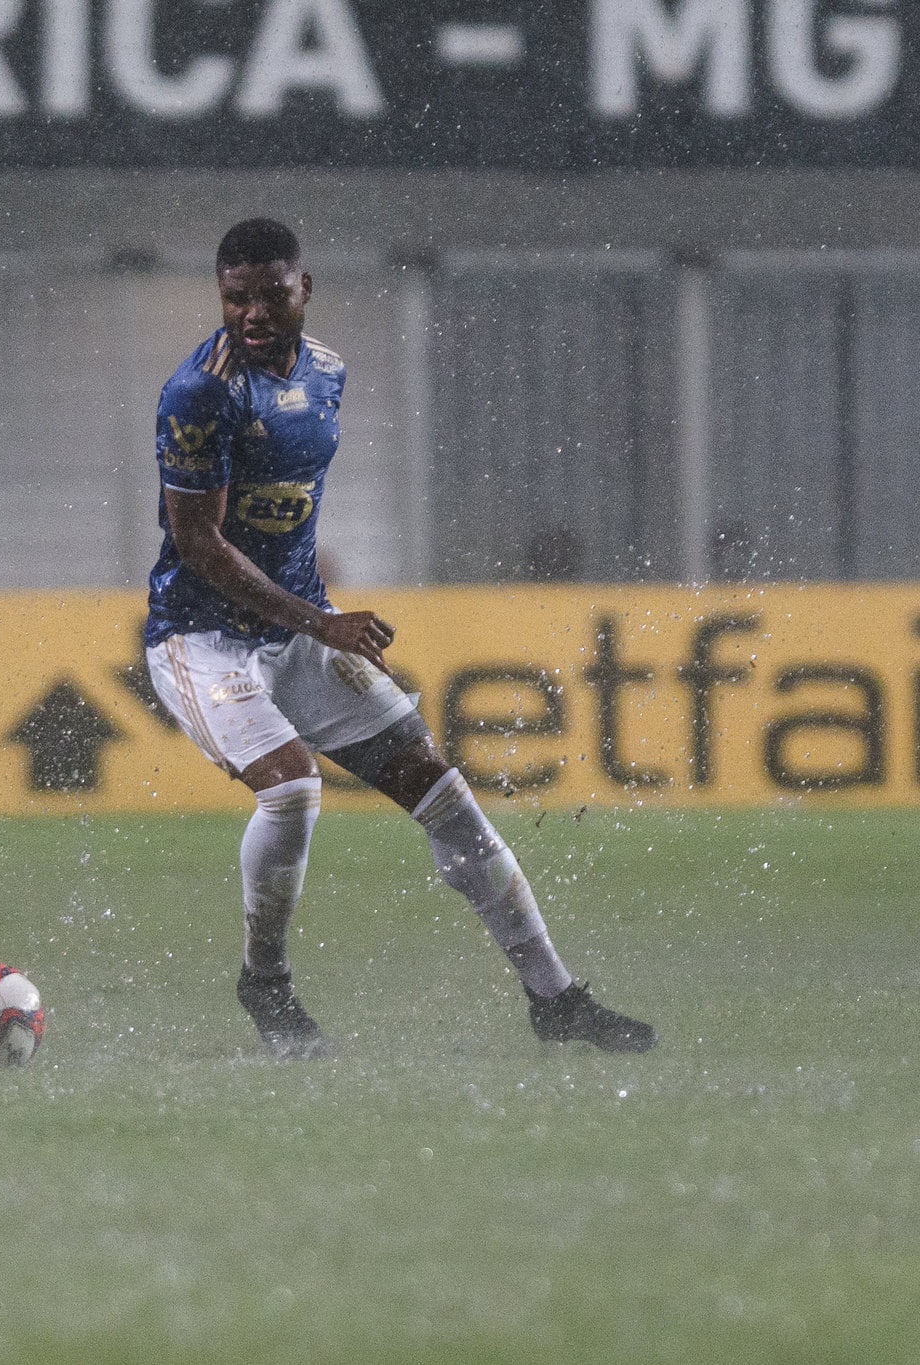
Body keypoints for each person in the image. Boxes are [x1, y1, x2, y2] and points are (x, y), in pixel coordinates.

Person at [144, 218, 655, 1058]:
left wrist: (311, 616)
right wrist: (321, 619)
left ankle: (555, 998)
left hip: (298, 631)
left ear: (304, 287)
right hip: (202, 639)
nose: (254, 313)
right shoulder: (199, 394)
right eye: (237, 298)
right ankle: (264, 981)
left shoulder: (329, 374)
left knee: (445, 795)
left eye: (272, 293)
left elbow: (285, 507)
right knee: (293, 789)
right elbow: (200, 545)